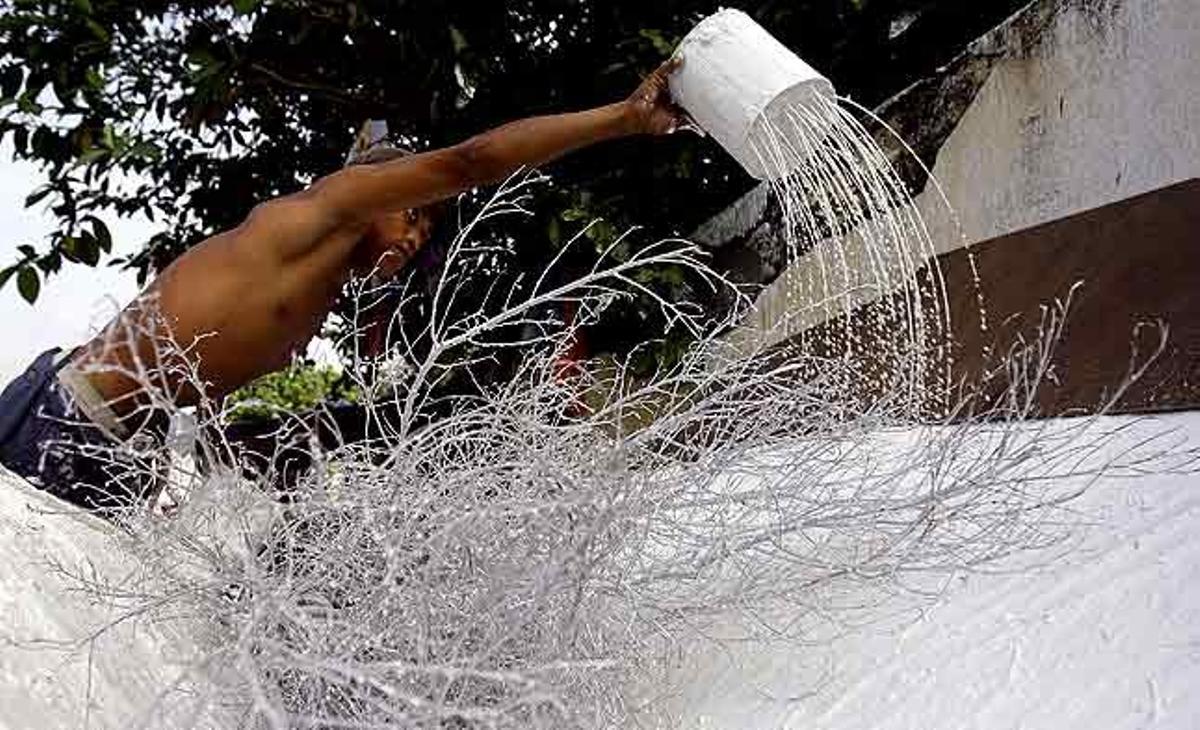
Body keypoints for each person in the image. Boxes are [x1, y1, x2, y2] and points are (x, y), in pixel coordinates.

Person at [0, 58, 687, 512]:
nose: (417, 237)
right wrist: (623, 118)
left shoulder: (315, 290)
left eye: (427, 230)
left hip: (113, 444)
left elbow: (193, 360)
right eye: (414, 214)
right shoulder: (319, 213)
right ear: (376, 191)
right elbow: (470, 160)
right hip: (67, 416)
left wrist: (208, 452)